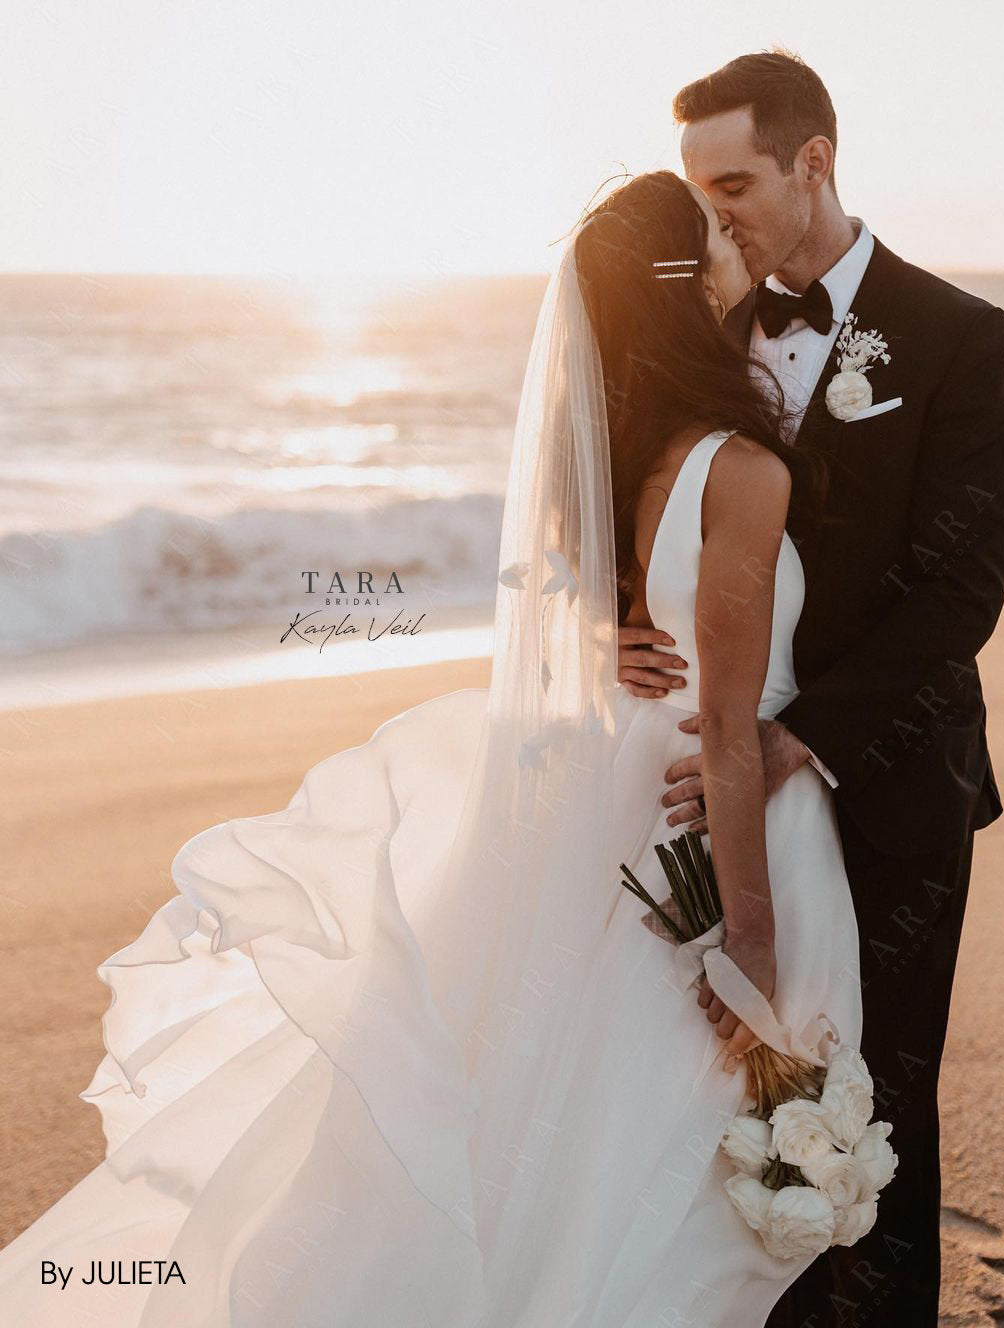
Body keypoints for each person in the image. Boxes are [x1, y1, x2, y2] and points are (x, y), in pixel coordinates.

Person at [0, 169, 864, 1326]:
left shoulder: (617, 459)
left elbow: (591, 606)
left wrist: (600, 632)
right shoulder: (742, 472)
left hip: (629, 800)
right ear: (680, 281)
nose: (732, 239)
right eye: (712, 228)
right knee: (686, 1130)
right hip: (714, 814)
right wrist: (748, 944)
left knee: (585, 1114)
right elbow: (732, 723)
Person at [618, 52, 1004, 1326]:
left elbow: (962, 591)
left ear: (814, 162)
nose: (715, 216)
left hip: (889, 774)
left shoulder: (957, 335)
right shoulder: (699, 330)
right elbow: (635, 501)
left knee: (877, 1094)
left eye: (734, 185)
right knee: (737, 1084)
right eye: (699, 192)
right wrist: (618, 622)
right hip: (718, 784)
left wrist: (797, 737)